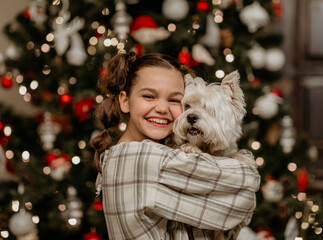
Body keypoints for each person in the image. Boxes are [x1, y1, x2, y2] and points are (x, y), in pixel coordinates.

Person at [90, 52, 260, 240]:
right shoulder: (138, 157)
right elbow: (246, 186)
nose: (162, 109)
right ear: (125, 101)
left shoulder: (149, 154)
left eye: (174, 100)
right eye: (149, 96)